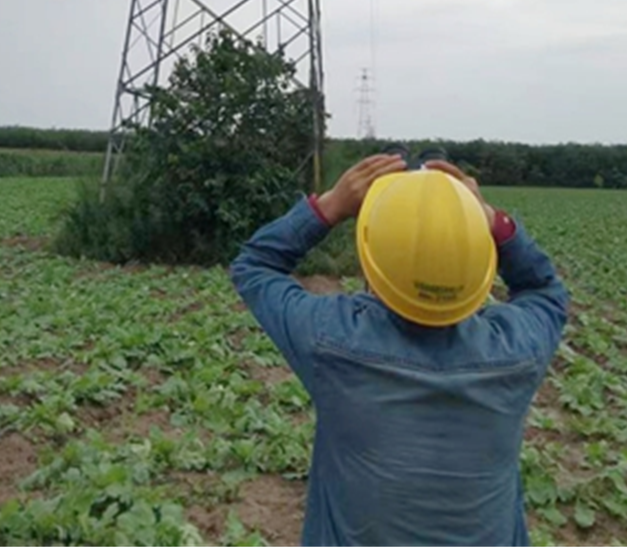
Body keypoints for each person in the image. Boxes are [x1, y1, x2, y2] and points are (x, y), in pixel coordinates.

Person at [230, 153, 568, 547]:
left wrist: (329, 207)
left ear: (373, 261)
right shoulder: (516, 350)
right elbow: (545, 289)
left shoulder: (333, 341)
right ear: (479, 262)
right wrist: (492, 220)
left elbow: (254, 265)